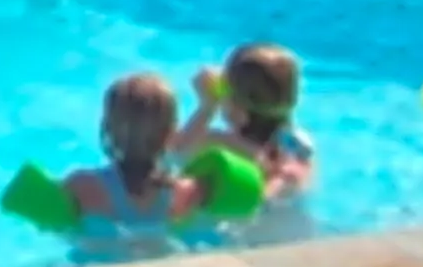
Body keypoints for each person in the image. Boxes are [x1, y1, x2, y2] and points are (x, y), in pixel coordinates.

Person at [63, 73, 211, 235]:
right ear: (172, 133)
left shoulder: (82, 186)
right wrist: (208, 106)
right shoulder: (188, 194)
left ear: (107, 128)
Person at [174, 42, 316, 200]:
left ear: (240, 110)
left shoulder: (220, 144)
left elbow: (177, 153)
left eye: (224, 89)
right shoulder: (300, 146)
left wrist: (207, 107)